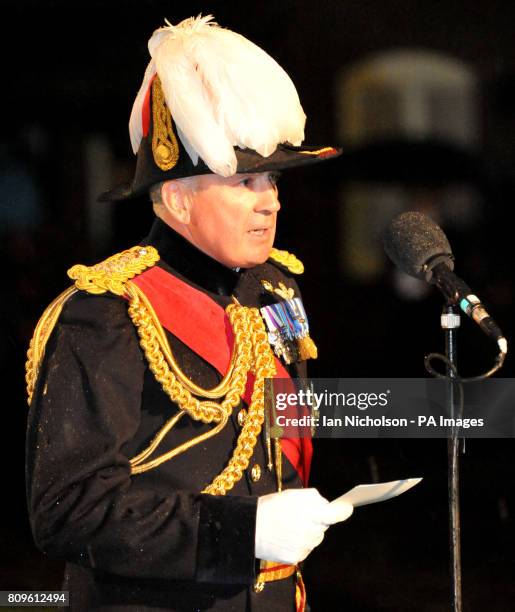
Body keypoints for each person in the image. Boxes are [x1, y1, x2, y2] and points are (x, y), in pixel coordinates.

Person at [25, 15, 352, 611]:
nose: (270, 202)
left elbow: (287, 430)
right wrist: (238, 531)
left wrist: (443, 415)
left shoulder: (275, 289)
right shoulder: (106, 314)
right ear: (177, 198)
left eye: (272, 179)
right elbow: (68, 511)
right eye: (245, 181)